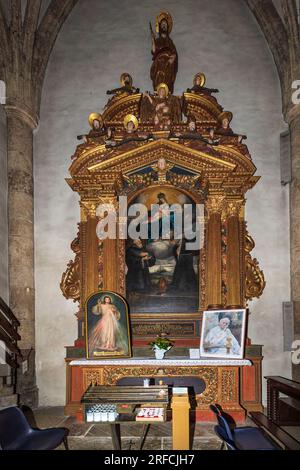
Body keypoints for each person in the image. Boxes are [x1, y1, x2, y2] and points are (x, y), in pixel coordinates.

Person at [150, 11, 178, 94]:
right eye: (162, 25)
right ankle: (158, 93)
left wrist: (172, 59)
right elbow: (154, 52)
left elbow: (174, 53)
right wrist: (153, 40)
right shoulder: (157, 41)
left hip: (168, 65)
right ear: (159, 27)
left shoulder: (170, 42)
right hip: (158, 63)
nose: (164, 27)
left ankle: (166, 93)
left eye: (165, 25)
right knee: (158, 74)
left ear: (167, 27)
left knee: (167, 77)